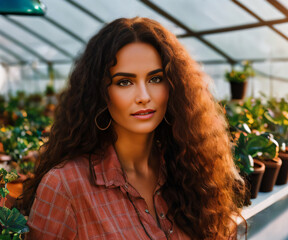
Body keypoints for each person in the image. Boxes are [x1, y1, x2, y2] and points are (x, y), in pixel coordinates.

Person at [21, 17, 246, 240]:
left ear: (174, 87)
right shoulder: (65, 186)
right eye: (124, 82)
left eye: (155, 79)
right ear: (99, 93)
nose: (144, 97)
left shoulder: (191, 169)